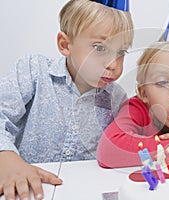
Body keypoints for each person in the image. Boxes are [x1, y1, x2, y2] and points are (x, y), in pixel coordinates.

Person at [0, 0, 133, 199]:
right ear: (65, 45)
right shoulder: (33, 71)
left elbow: (125, 146)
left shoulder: (117, 99)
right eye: (100, 48)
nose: (113, 64)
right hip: (28, 191)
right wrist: (6, 157)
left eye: (121, 52)